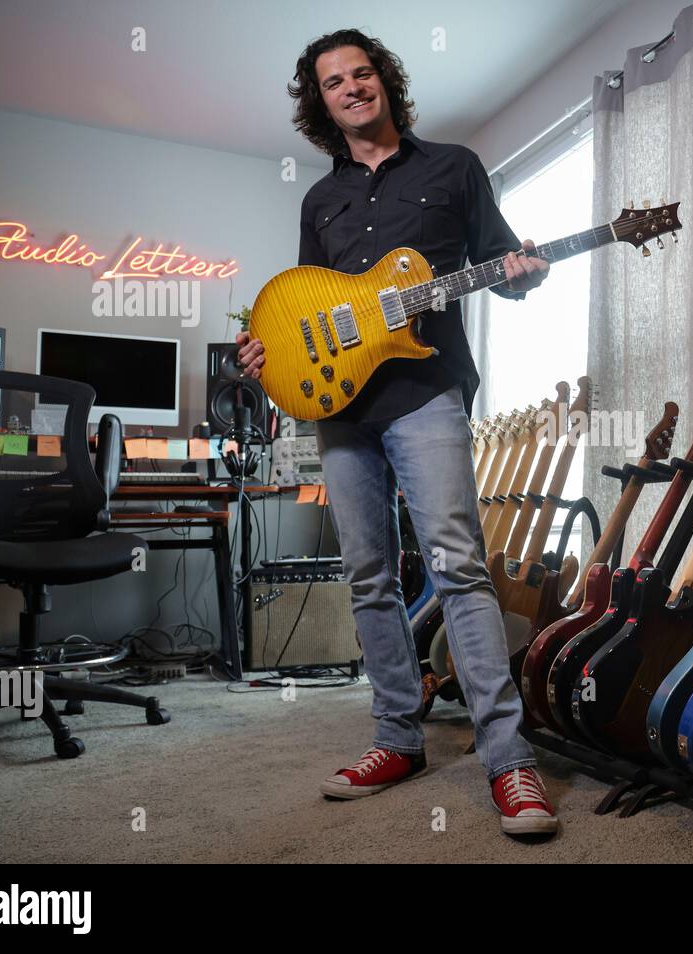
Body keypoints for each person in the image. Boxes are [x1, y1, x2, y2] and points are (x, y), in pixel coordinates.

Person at [236, 29, 558, 837]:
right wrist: (264, 351)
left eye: (362, 73)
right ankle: (396, 740)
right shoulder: (320, 200)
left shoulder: (453, 166)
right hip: (341, 411)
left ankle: (511, 763)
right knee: (369, 575)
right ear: (322, 102)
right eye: (334, 81)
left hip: (423, 391)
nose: (352, 87)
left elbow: (498, 260)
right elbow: (302, 305)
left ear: (384, 82)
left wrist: (525, 272)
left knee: (458, 567)